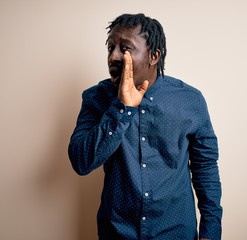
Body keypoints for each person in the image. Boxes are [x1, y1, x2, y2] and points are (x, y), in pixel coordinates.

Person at [68, 13, 222, 240]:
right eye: (111, 48)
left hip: (175, 232)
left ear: (154, 56)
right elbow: (81, 161)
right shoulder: (96, 98)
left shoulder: (190, 101)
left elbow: (205, 168)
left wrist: (211, 232)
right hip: (117, 233)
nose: (114, 56)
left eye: (126, 49)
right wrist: (122, 107)